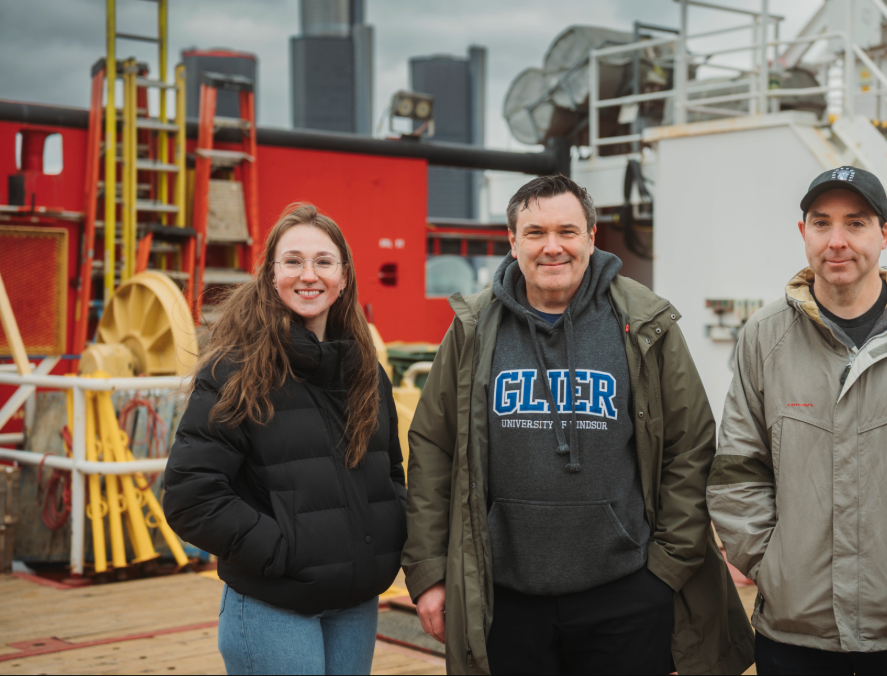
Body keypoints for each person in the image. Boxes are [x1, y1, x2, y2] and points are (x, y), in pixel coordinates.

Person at [402, 175, 752, 675]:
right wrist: (430, 572)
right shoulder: (473, 328)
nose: (552, 247)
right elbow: (432, 450)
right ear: (512, 241)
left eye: (567, 231)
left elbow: (690, 445)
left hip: (625, 593)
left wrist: (666, 570)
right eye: (535, 232)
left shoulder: (644, 322)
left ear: (591, 237)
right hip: (504, 596)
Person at [708, 167, 887, 675]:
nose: (837, 241)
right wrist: (775, 569)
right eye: (822, 224)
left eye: (857, 223)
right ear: (803, 233)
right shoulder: (764, 336)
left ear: (884, 234)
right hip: (794, 634)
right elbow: (738, 471)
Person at [164, 203, 406, 676]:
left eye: (323, 261)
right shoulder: (234, 372)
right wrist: (285, 552)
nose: (308, 275)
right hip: (273, 606)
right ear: (271, 275)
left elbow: (390, 475)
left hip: (355, 604)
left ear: (343, 277)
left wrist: (385, 546)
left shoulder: (366, 374)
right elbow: (191, 496)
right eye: (293, 261)